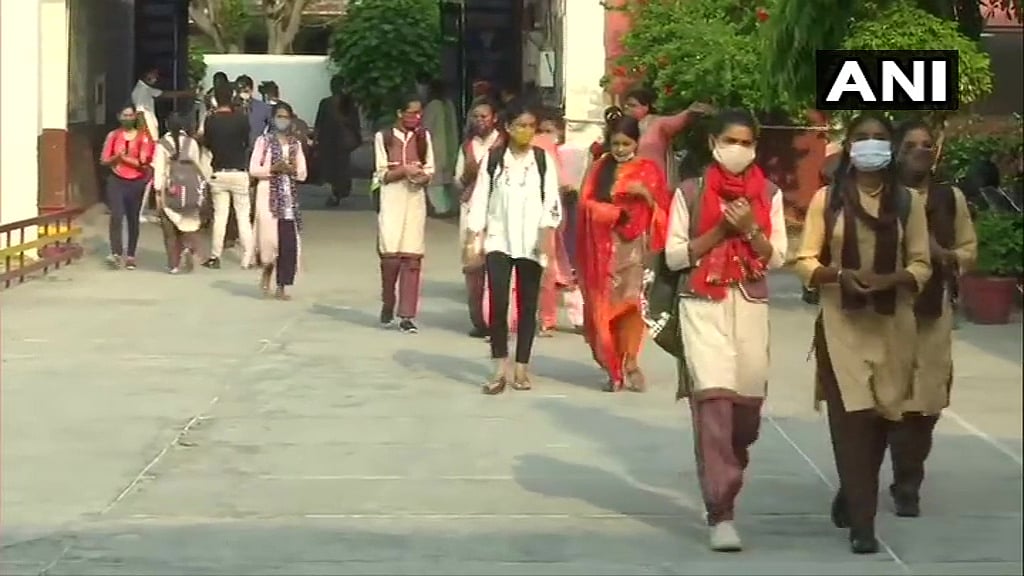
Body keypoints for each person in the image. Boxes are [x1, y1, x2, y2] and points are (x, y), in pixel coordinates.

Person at [793, 113, 932, 554]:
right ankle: (864, 524)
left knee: (884, 419)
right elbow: (805, 260)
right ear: (848, 146)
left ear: (890, 147)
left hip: (894, 324)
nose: (871, 145)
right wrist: (837, 276)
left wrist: (894, 280)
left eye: (879, 138)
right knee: (852, 420)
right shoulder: (826, 200)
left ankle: (854, 492)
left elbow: (922, 264)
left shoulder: (908, 202)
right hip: (841, 324)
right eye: (862, 138)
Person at [664, 110, 788, 551]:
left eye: (747, 142)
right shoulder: (691, 193)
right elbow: (675, 256)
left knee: (744, 418)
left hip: (750, 305)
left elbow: (777, 259)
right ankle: (721, 512)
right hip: (701, 304)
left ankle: (728, 475)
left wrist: (751, 230)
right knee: (713, 405)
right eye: (731, 140)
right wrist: (719, 230)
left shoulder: (768, 193)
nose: (740, 149)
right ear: (714, 142)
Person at [887, 120, 976, 517]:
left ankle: (909, 481)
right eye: (911, 145)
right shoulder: (881, 195)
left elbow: (968, 249)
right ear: (896, 151)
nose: (920, 152)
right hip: (886, 312)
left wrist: (945, 256)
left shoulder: (948, 198)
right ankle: (859, 480)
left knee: (926, 404)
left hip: (932, 315)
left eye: (926, 145)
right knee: (884, 402)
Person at [466, 102, 562, 394]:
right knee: (498, 304)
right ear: (508, 128)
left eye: (531, 126)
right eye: (520, 125)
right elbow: (481, 197)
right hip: (499, 239)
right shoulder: (494, 160)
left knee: (528, 304)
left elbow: (552, 202)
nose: (526, 131)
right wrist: (473, 236)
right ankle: (499, 367)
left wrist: (547, 232)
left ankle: (522, 367)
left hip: (531, 242)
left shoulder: (542, 161)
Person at [577, 116, 671, 393]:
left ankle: (630, 361)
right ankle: (612, 367)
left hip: (636, 252)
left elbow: (663, 210)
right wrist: (612, 213)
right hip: (603, 251)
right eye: (615, 143)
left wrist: (644, 195)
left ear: (637, 142)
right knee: (602, 311)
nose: (620, 149)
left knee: (632, 307)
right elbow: (585, 204)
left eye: (626, 143)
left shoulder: (649, 170)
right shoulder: (598, 169)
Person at [374, 95, 436, 334]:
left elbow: (430, 167)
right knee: (390, 256)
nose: (416, 117)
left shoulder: (423, 137)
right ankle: (388, 303)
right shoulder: (384, 137)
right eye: (411, 113)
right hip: (391, 199)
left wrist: (421, 175)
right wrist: (403, 170)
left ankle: (407, 315)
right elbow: (381, 174)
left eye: (419, 113)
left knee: (412, 257)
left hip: (415, 200)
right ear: (400, 113)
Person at [454, 99, 506, 338]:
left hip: (499, 214)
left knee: (497, 268)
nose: (479, 121)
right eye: (475, 116)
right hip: (471, 210)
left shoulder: (504, 144)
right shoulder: (467, 146)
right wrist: (469, 175)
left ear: (494, 118)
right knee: (473, 268)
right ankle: (478, 320)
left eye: (484, 116)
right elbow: (458, 181)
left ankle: (498, 321)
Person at [250, 102, 308, 300]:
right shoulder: (263, 142)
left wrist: (290, 169)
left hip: (288, 202)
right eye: (279, 116)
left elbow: (302, 173)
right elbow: (253, 169)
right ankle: (267, 269)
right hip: (268, 198)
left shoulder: (295, 144)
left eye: (286, 117)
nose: (282, 120)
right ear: (273, 118)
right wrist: (273, 169)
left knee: (288, 245)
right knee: (268, 242)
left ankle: (282, 285)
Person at [536, 111, 585, 334]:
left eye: (550, 131)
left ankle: (579, 317)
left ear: (561, 131)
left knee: (570, 268)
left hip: (565, 215)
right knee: (548, 269)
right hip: (543, 217)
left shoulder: (570, 154)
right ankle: (546, 317)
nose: (545, 136)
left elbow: (571, 186)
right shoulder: (540, 153)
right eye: (542, 131)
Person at [201, 83, 254, 269]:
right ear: (232, 97)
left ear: (215, 98)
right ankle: (247, 257)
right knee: (243, 217)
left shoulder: (211, 120)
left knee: (220, 216)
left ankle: (215, 256)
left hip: (219, 173)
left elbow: (206, 143)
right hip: (239, 172)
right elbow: (246, 142)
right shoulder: (241, 119)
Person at [99, 104, 155, 270]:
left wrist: (123, 158)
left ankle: (131, 255)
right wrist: (117, 157)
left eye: (130, 115)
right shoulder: (113, 136)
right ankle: (116, 253)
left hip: (136, 181)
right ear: (119, 117)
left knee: (133, 219)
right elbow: (104, 159)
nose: (128, 118)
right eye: (125, 115)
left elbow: (143, 163)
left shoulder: (143, 137)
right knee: (116, 215)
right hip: (116, 180)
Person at [152, 114, 209, 274]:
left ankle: (173, 264)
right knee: (188, 225)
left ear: (166, 125)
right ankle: (187, 248)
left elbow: (159, 170)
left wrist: (157, 192)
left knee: (169, 230)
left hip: (171, 190)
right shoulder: (191, 143)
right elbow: (199, 166)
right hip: (190, 190)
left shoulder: (162, 145)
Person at [622, 88, 713, 187]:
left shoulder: (657, 124)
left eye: (633, 105)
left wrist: (698, 108)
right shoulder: (622, 128)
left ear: (646, 107)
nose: (628, 109)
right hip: (628, 184)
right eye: (626, 106)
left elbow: (682, 119)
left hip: (656, 184)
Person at [315, 76, 362, 207]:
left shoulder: (325, 103)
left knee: (332, 168)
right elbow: (355, 123)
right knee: (342, 167)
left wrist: (315, 140)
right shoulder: (349, 103)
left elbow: (319, 123)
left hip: (329, 140)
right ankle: (340, 191)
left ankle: (335, 192)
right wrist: (356, 138)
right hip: (344, 142)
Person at [422, 79, 460, 217]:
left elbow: (426, 127)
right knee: (445, 180)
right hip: (449, 146)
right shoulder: (448, 104)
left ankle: (441, 208)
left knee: (435, 181)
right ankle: (448, 206)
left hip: (436, 147)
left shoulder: (433, 106)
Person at [131, 67, 196, 140]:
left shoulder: (147, 89)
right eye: (154, 74)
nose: (156, 77)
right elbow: (140, 113)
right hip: (146, 133)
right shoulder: (140, 91)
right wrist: (145, 135)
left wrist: (186, 93)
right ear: (146, 74)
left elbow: (164, 94)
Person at [236, 75, 273, 145]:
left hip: (258, 148)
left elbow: (273, 127)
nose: (243, 93)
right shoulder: (232, 108)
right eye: (239, 90)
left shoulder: (263, 107)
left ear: (251, 89)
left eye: (245, 90)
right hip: (238, 149)